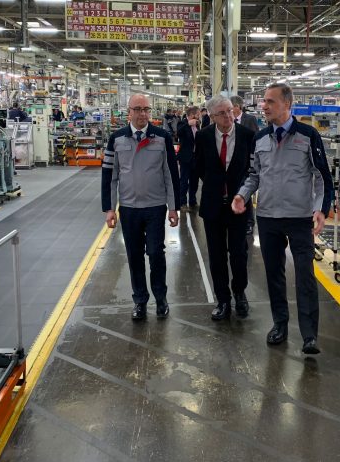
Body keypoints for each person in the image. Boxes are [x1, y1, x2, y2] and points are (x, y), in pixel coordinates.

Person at [232, 83, 333, 355]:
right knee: (274, 275)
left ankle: (309, 335)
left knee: (305, 276)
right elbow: (254, 174)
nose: (264, 106)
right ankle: (280, 324)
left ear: (287, 105)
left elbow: (322, 175)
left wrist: (321, 209)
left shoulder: (308, 135)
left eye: (270, 102)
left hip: (300, 218)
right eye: (264, 101)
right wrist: (242, 195)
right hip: (268, 218)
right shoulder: (260, 138)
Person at [102, 94, 180, 321]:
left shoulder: (162, 137)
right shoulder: (116, 139)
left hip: (156, 207)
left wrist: (173, 208)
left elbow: (171, 175)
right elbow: (110, 175)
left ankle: (161, 299)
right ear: (129, 111)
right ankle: (139, 301)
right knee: (134, 256)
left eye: (146, 109)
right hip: (128, 209)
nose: (142, 114)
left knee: (156, 254)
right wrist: (109, 208)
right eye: (137, 109)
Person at [195, 97, 255, 321]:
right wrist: (216, 188)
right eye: (222, 113)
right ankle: (223, 300)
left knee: (239, 253)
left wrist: (239, 194)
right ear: (212, 117)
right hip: (213, 207)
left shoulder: (248, 136)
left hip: (239, 206)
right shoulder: (203, 137)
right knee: (216, 255)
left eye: (230, 111)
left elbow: (252, 169)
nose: (228, 116)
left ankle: (240, 293)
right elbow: (199, 167)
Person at [230, 95, 258, 236]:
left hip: (247, 162)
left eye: (231, 107)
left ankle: (249, 223)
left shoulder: (250, 119)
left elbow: (255, 139)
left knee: (246, 192)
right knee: (237, 193)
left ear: (237, 107)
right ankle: (236, 219)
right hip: (233, 163)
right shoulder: (229, 120)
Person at [176, 106, 200, 209]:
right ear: (191, 115)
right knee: (184, 181)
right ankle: (182, 203)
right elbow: (178, 133)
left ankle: (192, 201)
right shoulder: (182, 123)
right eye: (197, 114)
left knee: (194, 181)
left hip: (195, 157)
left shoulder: (197, 125)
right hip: (186, 158)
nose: (199, 116)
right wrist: (187, 124)